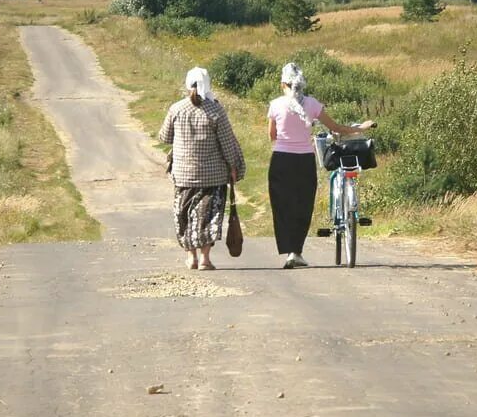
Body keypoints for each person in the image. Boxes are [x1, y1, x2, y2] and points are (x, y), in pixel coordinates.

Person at [267, 63, 373, 269]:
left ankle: (288, 249)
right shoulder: (313, 104)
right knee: (303, 204)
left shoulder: (275, 105)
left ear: (283, 84)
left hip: (281, 159)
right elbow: (336, 128)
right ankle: (295, 251)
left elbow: (272, 135)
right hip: (304, 159)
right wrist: (359, 128)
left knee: (282, 206)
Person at [159, 67, 246, 271]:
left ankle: (191, 257)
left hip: (183, 175)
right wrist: (233, 166)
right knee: (209, 217)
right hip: (213, 176)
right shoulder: (216, 110)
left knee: (185, 215)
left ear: (188, 84)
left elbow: (164, 137)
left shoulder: (176, 109)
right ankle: (205, 258)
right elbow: (227, 143)